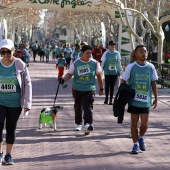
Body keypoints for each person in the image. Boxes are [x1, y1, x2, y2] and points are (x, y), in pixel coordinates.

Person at [59, 45, 104, 135]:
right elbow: (70, 74)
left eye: (90, 53)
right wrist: (63, 79)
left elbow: (99, 76)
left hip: (89, 89)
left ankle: (88, 124)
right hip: (77, 89)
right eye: (87, 53)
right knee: (78, 106)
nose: (89, 55)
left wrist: (101, 88)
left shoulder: (95, 63)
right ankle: (78, 123)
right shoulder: (76, 63)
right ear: (82, 53)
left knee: (88, 106)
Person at [0, 39, 32, 165]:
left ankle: (8, 155)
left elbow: (28, 84)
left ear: (14, 51)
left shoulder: (21, 65)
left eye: (9, 51)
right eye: (3, 51)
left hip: (15, 103)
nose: (6, 54)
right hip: (0, 102)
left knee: (10, 128)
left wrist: (27, 103)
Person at [121, 45, 158, 154]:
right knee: (134, 123)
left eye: (145, 51)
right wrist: (122, 96)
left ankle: (141, 137)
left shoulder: (151, 67)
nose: (144, 53)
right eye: (141, 51)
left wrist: (156, 98)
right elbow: (123, 81)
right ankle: (135, 144)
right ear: (136, 54)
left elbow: (153, 82)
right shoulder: (131, 67)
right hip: (133, 100)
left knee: (145, 124)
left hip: (145, 100)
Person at [101, 40, 123, 105]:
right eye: (111, 45)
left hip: (114, 72)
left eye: (114, 45)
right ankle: (106, 98)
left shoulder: (117, 53)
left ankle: (111, 100)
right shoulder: (106, 53)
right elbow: (103, 63)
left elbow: (119, 63)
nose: (113, 46)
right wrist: (101, 70)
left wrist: (120, 71)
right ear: (109, 46)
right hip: (107, 72)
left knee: (112, 86)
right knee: (107, 85)